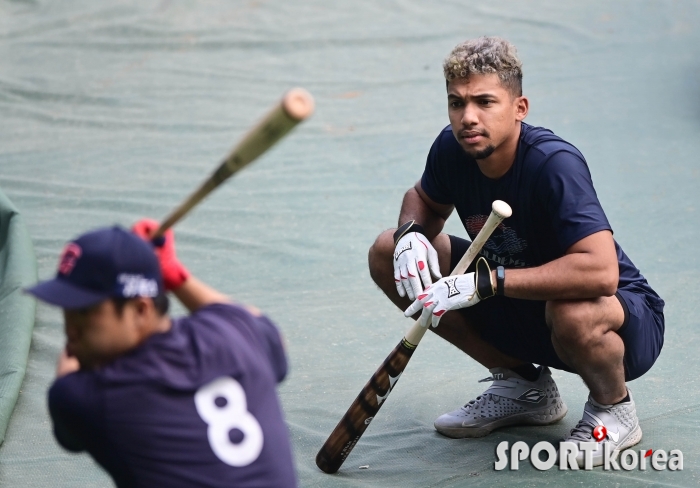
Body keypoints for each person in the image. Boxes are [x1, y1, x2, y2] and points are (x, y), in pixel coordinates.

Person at [367, 36, 665, 467]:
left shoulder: (553, 163)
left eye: (484, 101)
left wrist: (488, 282)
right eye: (456, 102)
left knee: (573, 312)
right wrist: (411, 234)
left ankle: (613, 411)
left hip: (618, 319)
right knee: (385, 251)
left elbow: (601, 273)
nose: (467, 117)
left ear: (519, 108)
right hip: (519, 300)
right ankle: (523, 387)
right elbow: (425, 199)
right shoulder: (453, 149)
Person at [26, 221, 297, 487]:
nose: (70, 330)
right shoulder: (234, 333)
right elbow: (269, 335)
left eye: (84, 312)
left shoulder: (91, 397)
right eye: (66, 311)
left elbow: (72, 368)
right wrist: (177, 277)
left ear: (141, 310)